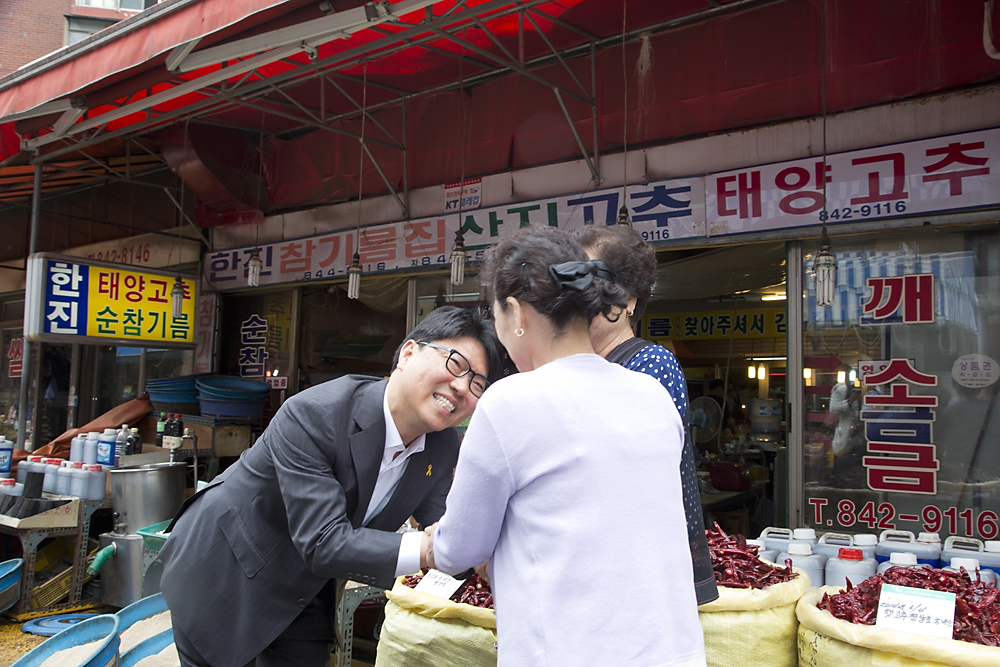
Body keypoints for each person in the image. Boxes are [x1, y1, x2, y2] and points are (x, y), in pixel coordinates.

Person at [159, 306, 503, 667]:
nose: (462, 387)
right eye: (455, 364)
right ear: (407, 353)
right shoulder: (315, 414)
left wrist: (484, 556)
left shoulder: (442, 445)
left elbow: (445, 524)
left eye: (477, 384)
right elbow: (323, 540)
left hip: (305, 588)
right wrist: (433, 549)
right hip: (223, 569)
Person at [426, 226, 706, 667]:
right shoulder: (652, 395)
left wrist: (429, 542)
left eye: (496, 317)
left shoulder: (510, 401)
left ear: (515, 312)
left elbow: (459, 549)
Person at [576, 223, 718, 606]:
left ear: (630, 299)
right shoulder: (574, 367)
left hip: (638, 568)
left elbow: (632, 477)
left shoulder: (651, 363)